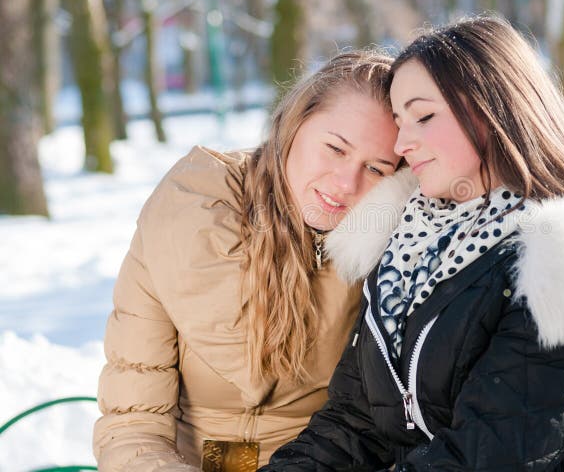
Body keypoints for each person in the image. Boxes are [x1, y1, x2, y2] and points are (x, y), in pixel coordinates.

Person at [262, 16, 564, 471]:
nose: (403, 143)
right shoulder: (406, 243)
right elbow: (353, 423)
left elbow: (487, 455)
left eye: (423, 116)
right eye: (399, 121)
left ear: (493, 109)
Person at [92, 51, 418, 471]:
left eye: (376, 168)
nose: (345, 183)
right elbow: (134, 423)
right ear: (296, 122)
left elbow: (373, 423)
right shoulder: (187, 216)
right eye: (336, 148)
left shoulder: (390, 252)